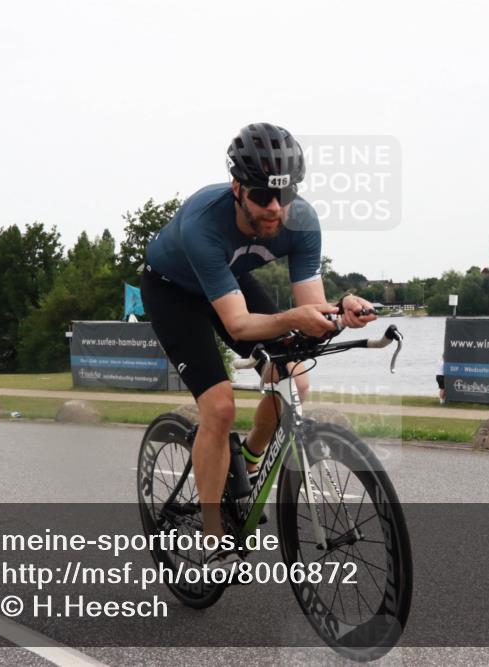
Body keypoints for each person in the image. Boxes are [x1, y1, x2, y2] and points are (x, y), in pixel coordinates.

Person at [141, 123, 376, 568]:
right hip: (175, 291)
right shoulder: (202, 222)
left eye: (284, 196)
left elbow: (310, 312)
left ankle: (249, 459)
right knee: (219, 406)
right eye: (261, 197)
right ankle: (214, 535)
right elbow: (241, 325)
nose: (274, 208)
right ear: (237, 189)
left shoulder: (301, 221)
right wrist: (298, 319)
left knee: (296, 380)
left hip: (231, 279)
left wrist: (341, 309)